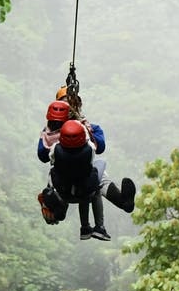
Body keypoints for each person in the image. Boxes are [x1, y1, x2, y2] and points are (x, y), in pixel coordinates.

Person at [36, 97, 135, 240]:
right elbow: (98, 146)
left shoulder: (54, 146)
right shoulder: (87, 140)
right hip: (86, 188)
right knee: (99, 176)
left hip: (64, 190)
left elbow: (43, 155)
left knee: (54, 177)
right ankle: (120, 204)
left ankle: (59, 213)